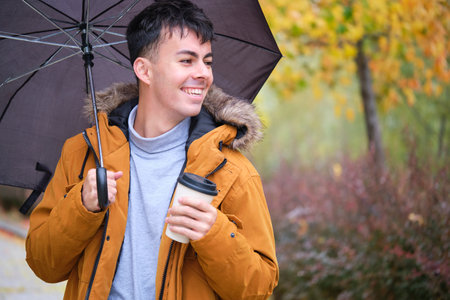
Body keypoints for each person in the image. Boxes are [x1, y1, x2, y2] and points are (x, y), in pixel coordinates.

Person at [25, 0, 278, 299]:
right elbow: (44, 265)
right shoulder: (84, 153)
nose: (204, 74)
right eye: (187, 61)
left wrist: (215, 233)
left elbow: (259, 288)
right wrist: (82, 206)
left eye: (207, 62)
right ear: (144, 70)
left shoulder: (231, 171)